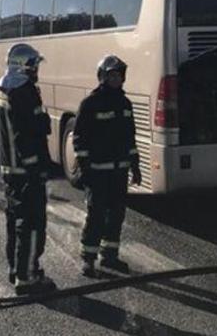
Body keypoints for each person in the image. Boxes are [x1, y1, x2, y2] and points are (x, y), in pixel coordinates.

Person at [0, 43, 56, 295]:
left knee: (15, 221)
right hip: (25, 172)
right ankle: (27, 277)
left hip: (11, 171)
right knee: (31, 223)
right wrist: (35, 170)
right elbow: (25, 136)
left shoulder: (5, 90)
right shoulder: (23, 93)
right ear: (24, 67)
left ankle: (17, 268)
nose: (36, 70)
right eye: (34, 66)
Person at [73, 55, 141, 277]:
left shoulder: (125, 103)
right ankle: (88, 259)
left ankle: (110, 256)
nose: (116, 79)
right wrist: (85, 168)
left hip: (119, 171)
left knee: (116, 215)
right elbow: (80, 139)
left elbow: (130, 137)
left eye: (119, 75)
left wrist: (135, 165)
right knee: (96, 215)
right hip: (98, 172)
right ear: (102, 77)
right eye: (112, 75)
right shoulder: (90, 103)